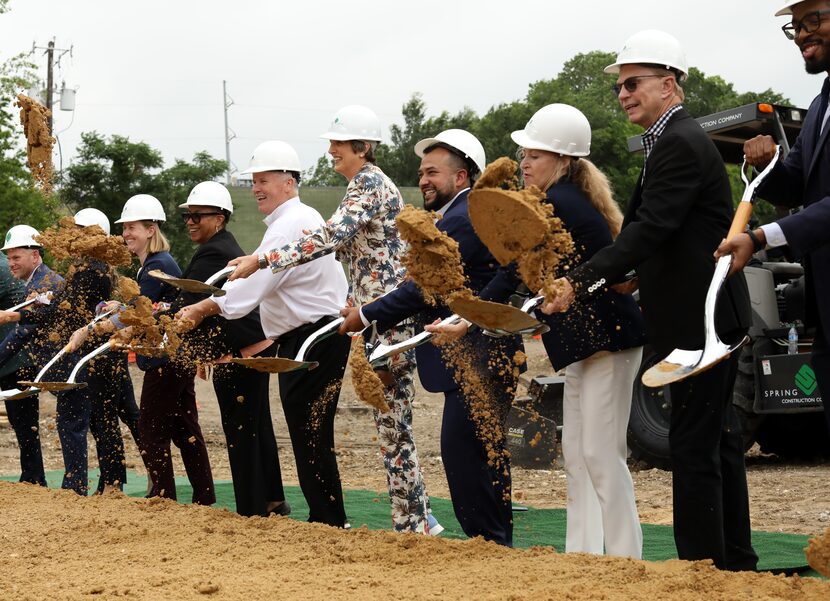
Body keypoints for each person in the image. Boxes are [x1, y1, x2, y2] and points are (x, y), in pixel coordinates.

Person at [543, 31, 757, 571]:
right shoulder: (670, 141)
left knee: (692, 447)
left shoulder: (680, 143)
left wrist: (583, 279)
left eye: (633, 83)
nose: (623, 94)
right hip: (701, 315)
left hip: (699, 321)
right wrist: (634, 275)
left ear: (669, 84)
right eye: (620, 86)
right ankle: (733, 564)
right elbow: (667, 230)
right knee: (718, 442)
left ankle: (700, 571)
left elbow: (653, 227)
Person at [227, 105, 434, 534]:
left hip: (388, 319)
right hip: (373, 315)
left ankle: (414, 525)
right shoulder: (364, 185)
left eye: (338, 143)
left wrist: (264, 259)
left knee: (394, 427)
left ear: (363, 146)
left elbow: (329, 237)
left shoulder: (369, 184)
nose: (331, 150)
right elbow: (356, 252)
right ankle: (414, 519)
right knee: (392, 426)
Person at [472, 106, 646, 556]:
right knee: (580, 454)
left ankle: (624, 560)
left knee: (601, 455)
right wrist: (468, 313)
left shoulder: (559, 202)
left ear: (563, 161)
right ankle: (584, 555)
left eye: (535, 155)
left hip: (608, 341)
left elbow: (512, 270)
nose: (525, 163)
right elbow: (514, 269)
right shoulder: (551, 201)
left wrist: (470, 311)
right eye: (523, 154)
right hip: (585, 344)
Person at [340, 129, 520, 545]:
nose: (423, 180)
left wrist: (364, 313)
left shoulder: (462, 217)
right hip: (481, 352)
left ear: (461, 178)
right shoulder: (462, 215)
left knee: (465, 458)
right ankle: (498, 545)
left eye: (433, 172)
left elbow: (422, 287)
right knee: (484, 457)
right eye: (421, 172)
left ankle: (490, 545)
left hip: (476, 353)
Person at [177, 141, 351, 524]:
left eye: (264, 180)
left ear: (289, 182)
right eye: (253, 180)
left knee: (310, 435)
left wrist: (202, 307)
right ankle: (327, 517)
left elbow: (250, 292)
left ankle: (329, 520)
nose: (256, 187)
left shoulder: (291, 223)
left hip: (314, 336)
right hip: (313, 334)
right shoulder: (295, 219)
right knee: (309, 434)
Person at [716, 0, 830, 438]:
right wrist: (765, 163)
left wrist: (761, 237)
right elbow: (796, 183)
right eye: (795, 27)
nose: (801, 35)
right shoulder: (821, 105)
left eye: (813, 21)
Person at [0, 226, 63, 486]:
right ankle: (32, 476)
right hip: (13, 352)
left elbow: (25, 323)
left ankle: (34, 478)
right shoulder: (10, 266)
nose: (12, 261)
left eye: (16, 257)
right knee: (23, 423)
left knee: (24, 423)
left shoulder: (5, 268)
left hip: (16, 355)